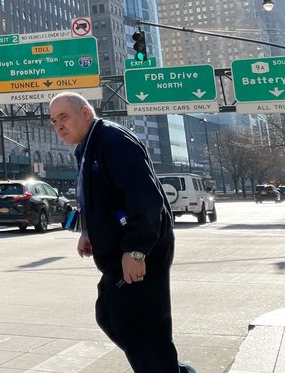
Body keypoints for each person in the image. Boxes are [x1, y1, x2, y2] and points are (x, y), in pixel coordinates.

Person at [49, 92, 195, 373]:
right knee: (112, 315)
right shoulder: (90, 146)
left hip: (139, 252)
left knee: (141, 329)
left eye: (64, 117)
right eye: (54, 121)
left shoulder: (113, 141)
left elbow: (145, 199)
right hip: (119, 252)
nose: (58, 126)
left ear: (86, 113)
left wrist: (136, 250)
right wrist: (88, 232)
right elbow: (102, 198)